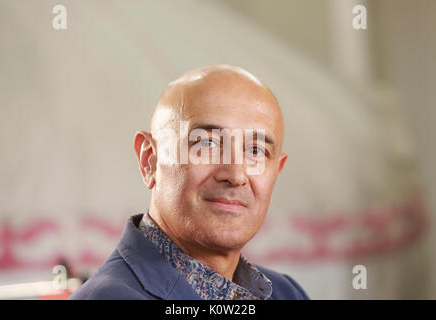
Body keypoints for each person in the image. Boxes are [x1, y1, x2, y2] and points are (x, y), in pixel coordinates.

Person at [69, 65, 309, 300]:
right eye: (207, 144)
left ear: (277, 170)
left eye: (256, 150)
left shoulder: (286, 293)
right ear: (149, 160)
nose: (235, 175)